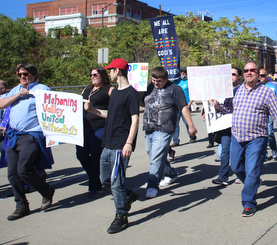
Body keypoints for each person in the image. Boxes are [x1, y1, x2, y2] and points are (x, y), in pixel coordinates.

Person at [214, 61, 277, 217]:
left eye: (253, 70)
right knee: (236, 167)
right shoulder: (236, 91)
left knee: (252, 170)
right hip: (237, 136)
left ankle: (249, 203)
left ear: (258, 73)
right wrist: (217, 107)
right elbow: (227, 108)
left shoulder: (267, 92)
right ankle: (254, 182)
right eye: (246, 70)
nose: (249, 72)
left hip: (257, 138)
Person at [84, 58, 140, 234]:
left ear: (118, 71)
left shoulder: (132, 93)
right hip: (107, 142)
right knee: (105, 180)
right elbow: (111, 114)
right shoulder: (115, 92)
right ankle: (128, 195)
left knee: (116, 182)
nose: (109, 73)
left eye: (111, 70)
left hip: (120, 143)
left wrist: (129, 143)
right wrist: (93, 110)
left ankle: (121, 215)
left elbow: (135, 118)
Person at [0, 63, 55, 221]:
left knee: (24, 169)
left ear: (34, 75)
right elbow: (1, 104)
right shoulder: (16, 90)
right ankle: (21, 205)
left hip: (31, 135)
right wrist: (18, 95)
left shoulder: (42, 89)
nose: (23, 77)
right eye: (20, 74)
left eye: (26, 74)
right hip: (13, 135)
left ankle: (46, 190)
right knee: (12, 174)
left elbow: (52, 109)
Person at [143, 67, 197, 198]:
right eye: (154, 80)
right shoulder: (149, 88)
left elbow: (183, 107)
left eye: (159, 81)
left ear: (166, 79)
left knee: (156, 157)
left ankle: (152, 185)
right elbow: (142, 103)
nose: (156, 83)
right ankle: (170, 173)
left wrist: (191, 125)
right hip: (149, 127)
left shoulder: (174, 88)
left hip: (165, 128)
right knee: (153, 154)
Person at [78, 68, 114, 198]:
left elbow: (114, 109)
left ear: (103, 76)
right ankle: (95, 178)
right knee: (81, 155)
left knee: (94, 157)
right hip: (84, 128)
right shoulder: (86, 90)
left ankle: (95, 185)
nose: (92, 76)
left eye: (95, 74)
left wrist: (94, 110)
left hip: (100, 127)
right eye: (91, 74)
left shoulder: (109, 90)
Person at [211, 67, 242, 186]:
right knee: (225, 150)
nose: (231, 76)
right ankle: (223, 177)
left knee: (238, 150)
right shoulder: (221, 90)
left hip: (238, 124)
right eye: (229, 74)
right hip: (224, 124)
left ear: (239, 76)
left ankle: (240, 174)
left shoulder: (242, 89)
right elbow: (216, 104)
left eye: (233, 74)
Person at [259, 68, 277, 160]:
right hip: (258, 114)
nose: (260, 77)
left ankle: (273, 149)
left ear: (267, 76)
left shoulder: (273, 86)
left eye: (262, 75)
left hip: (269, 113)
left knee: (269, 133)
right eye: (259, 75)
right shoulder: (255, 86)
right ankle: (263, 153)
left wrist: (271, 103)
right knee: (260, 135)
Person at [171, 68, 197, 147]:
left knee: (187, 122)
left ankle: (192, 136)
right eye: (181, 72)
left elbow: (193, 93)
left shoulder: (189, 82)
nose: (183, 73)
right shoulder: (175, 82)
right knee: (175, 124)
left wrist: (190, 103)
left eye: (184, 72)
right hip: (176, 106)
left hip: (186, 105)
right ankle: (176, 141)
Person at [0, 80, 8, 155]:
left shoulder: (6, 99)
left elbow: (7, 115)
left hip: (1, 132)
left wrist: (0, 127)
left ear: (2, 89)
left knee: (7, 157)